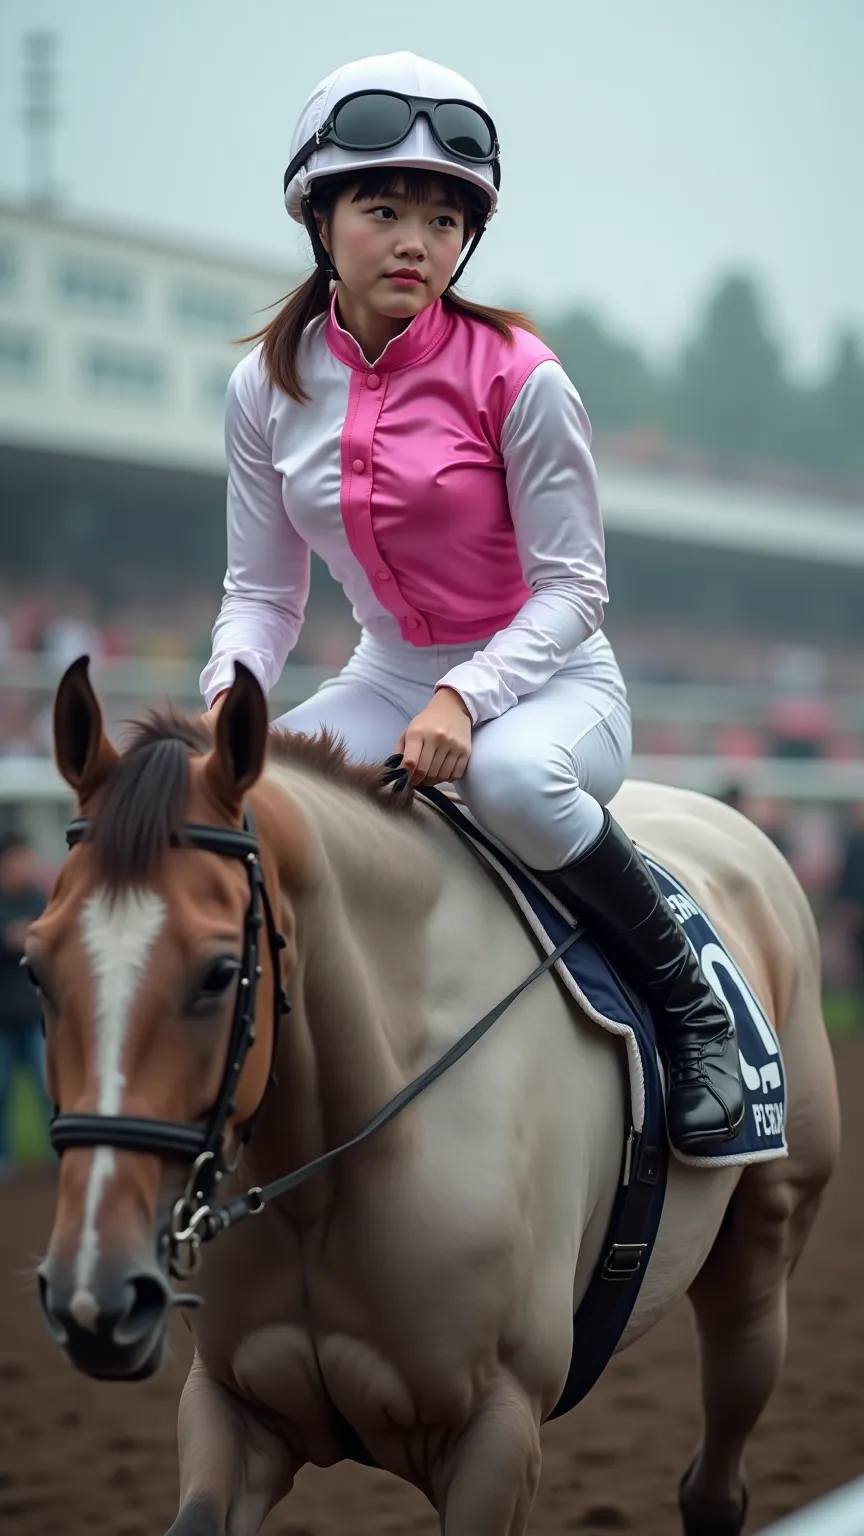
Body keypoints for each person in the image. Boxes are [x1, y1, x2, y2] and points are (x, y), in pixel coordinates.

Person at [199, 51, 743, 1155]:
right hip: (386, 673)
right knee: (239, 803)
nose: (416, 241)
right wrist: (231, 704)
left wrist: (463, 694)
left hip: (549, 682)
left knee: (513, 780)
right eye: (384, 209)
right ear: (320, 217)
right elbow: (262, 593)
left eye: (445, 222)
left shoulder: (521, 372)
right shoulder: (265, 385)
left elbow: (573, 591)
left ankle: (694, 1011)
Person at [0, 833, 50, 1175]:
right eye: (19, 859)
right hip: (1, 1019)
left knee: (49, 1090)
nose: (26, 866)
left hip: (35, 1017)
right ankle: (3, 1159)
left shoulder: (42, 900)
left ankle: (60, 1156)